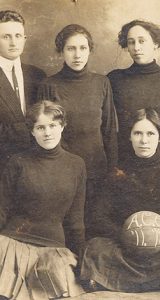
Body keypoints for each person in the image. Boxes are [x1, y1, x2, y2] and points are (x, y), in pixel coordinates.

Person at [80, 108, 160, 292]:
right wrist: (126, 237)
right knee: (95, 247)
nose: (144, 140)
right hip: (126, 249)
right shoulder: (117, 172)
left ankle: (121, 281)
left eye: (150, 133)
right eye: (138, 133)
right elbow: (98, 216)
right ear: (129, 136)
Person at [37, 24, 118, 238]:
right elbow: (42, 131)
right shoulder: (49, 85)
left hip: (96, 169)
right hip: (62, 171)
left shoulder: (102, 82)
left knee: (94, 227)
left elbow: (109, 129)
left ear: (90, 50)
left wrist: (113, 168)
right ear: (61, 51)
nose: (77, 54)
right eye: (71, 48)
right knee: (69, 229)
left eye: (83, 48)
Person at [0, 100, 86, 299]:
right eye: (40, 127)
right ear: (32, 131)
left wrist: (80, 259)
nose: (47, 133)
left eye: (52, 126)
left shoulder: (76, 165)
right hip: (13, 244)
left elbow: (76, 219)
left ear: (62, 126)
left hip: (53, 249)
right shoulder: (18, 162)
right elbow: (2, 208)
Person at [108, 19, 160, 162]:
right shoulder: (115, 79)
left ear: (156, 43)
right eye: (131, 42)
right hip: (126, 161)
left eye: (142, 41)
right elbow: (106, 128)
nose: (136, 47)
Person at [0, 10, 46, 173]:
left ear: (24, 39)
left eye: (18, 36)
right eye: (6, 37)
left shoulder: (37, 75)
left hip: (37, 163)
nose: (13, 42)